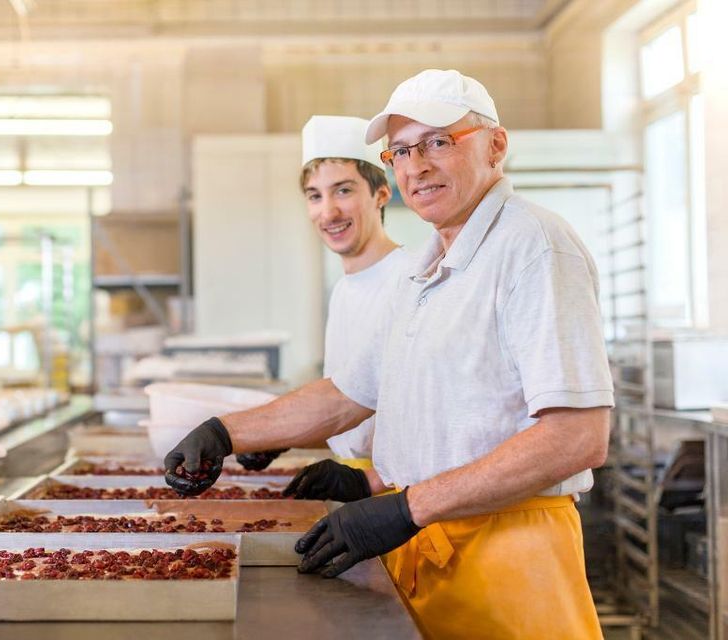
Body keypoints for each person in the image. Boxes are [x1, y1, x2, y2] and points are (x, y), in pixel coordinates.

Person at [164, 68, 613, 639]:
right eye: (400, 150)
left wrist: (406, 506)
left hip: (509, 559)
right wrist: (226, 433)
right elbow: (348, 394)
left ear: (496, 146)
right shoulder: (428, 268)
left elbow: (577, 436)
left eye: (438, 142)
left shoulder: (532, 247)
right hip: (431, 547)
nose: (416, 166)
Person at [244, 115, 414, 504]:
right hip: (354, 489)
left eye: (343, 191)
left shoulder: (410, 279)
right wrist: (285, 433)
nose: (328, 212)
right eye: (315, 195)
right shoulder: (344, 291)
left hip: (402, 492)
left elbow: (432, 417)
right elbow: (352, 404)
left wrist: (369, 480)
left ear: (381, 194)